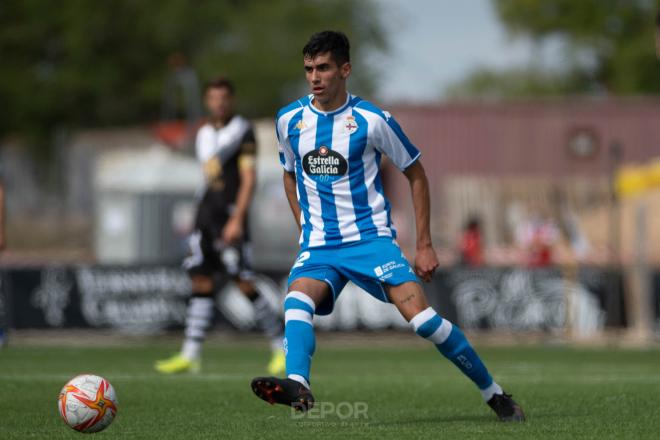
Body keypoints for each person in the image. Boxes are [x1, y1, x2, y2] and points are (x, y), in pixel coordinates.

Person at [250, 31, 524, 422]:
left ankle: (495, 395)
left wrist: (424, 244)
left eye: (324, 68)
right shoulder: (288, 120)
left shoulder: (373, 121)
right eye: (309, 68)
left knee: (425, 322)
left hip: (371, 241)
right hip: (321, 246)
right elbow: (289, 175)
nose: (315, 76)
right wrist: (305, 229)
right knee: (297, 300)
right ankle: (298, 384)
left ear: (344, 69)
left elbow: (416, 173)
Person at [156, 77, 285, 375]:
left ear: (232, 100)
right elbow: (208, 178)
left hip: (230, 215)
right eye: (214, 98)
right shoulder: (202, 133)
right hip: (205, 215)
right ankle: (190, 354)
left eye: (224, 98)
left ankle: (281, 346)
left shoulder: (242, 131)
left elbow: (249, 178)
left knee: (243, 281)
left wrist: (238, 218)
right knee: (200, 280)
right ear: (207, 101)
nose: (219, 103)